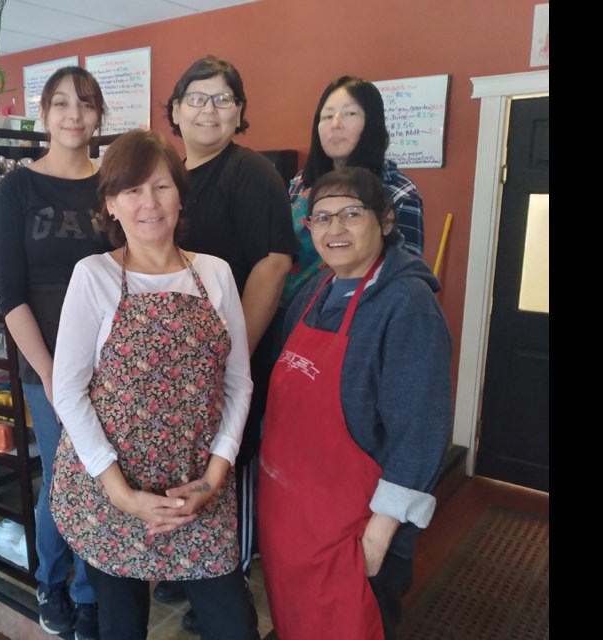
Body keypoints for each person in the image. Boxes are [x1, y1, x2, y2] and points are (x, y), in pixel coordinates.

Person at [50, 129, 259, 640]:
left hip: (198, 490)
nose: (149, 203)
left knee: (235, 625)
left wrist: (210, 482)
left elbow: (239, 385)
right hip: (112, 491)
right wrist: (121, 494)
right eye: (132, 190)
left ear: (180, 195)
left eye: (161, 186)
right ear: (111, 205)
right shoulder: (93, 276)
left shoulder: (216, 274)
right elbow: (69, 393)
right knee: (122, 628)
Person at [259, 167, 452, 640]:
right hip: (293, 520)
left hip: (356, 529)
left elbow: (420, 430)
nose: (333, 229)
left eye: (350, 214)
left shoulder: (406, 303)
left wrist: (381, 532)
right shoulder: (313, 292)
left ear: (385, 220)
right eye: (320, 218)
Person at [156, 54, 298, 632]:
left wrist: (233, 352)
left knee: (225, 464)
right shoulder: (169, 175)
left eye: (223, 99)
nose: (209, 109)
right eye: (197, 97)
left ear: (240, 112)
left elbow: (273, 262)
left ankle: (225, 583)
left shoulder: (251, 171)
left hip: (229, 359)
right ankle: (186, 566)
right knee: (186, 456)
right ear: (175, 110)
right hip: (174, 363)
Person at [0, 66, 108, 640]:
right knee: (65, 473)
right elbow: (10, 293)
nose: (73, 115)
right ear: (43, 114)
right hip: (47, 362)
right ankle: (51, 580)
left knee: (101, 471)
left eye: (85, 104)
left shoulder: (110, 186)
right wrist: (52, 373)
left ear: (98, 116)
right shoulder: (17, 188)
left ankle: (89, 592)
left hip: (110, 363)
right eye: (61, 103)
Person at [277, 76, 425, 323]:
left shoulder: (398, 191)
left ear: (372, 124)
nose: (336, 124)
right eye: (327, 116)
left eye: (350, 114)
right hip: (290, 316)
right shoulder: (301, 182)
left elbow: (403, 271)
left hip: (357, 321)